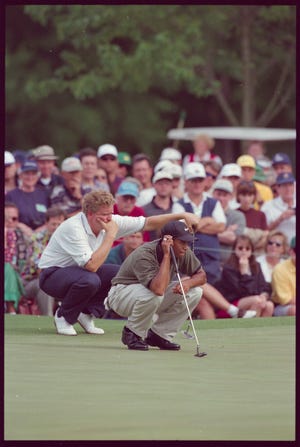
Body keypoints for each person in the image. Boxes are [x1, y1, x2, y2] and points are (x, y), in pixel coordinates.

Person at [38, 190, 200, 336]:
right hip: (51, 276)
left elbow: (148, 223)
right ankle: (63, 316)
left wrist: (181, 215)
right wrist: (110, 235)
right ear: (89, 213)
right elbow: (92, 266)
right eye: (103, 215)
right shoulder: (73, 228)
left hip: (78, 273)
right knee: (90, 280)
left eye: (110, 213)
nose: (108, 219)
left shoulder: (111, 221)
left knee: (118, 273)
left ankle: (85, 313)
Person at [104, 220, 206, 350]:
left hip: (147, 296)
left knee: (195, 292)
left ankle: (159, 335)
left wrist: (188, 283)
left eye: (187, 242)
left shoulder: (183, 251)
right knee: (155, 293)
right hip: (120, 296)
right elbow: (158, 289)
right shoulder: (145, 254)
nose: (186, 246)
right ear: (168, 240)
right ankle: (132, 333)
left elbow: (202, 276)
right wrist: (167, 255)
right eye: (182, 242)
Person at [173, 162, 226, 285]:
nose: (197, 184)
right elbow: (182, 230)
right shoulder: (179, 204)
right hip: (187, 261)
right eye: (193, 180)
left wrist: (194, 226)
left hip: (211, 261)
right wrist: (207, 220)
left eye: (200, 180)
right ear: (186, 182)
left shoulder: (213, 202)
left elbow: (221, 227)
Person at [214, 235, 274, 317]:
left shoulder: (256, 266)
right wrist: (244, 273)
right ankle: (249, 329)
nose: (244, 251)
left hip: (254, 299)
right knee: (257, 301)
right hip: (231, 304)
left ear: (251, 250)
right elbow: (243, 292)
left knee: (269, 305)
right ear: (234, 250)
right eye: (240, 248)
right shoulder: (228, 268)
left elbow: (264, 286)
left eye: (247, 248)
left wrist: (264, 295)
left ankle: (262, 329)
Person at [21, 207, 66, 316]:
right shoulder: (37, 239)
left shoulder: (68, 240)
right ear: (46, 223)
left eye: (60, 224)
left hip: (59, 279)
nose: (57, 228)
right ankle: (48, 318)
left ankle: (72, 320)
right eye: (53, 224)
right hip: (30, 281)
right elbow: (40, 270)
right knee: (44, 284)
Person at [5, 160, 50, 234]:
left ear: (38, 176)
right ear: (20, 175)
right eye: (27, 174)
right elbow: (8, 218)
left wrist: (42, 228)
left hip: (42, 233)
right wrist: (20, 226)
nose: (30, 177)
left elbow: (50, 216)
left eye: (33, 174)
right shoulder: (11, 195)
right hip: (20, 233)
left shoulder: (44, 194)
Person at [211, 179, 246, 263]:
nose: (221, 198)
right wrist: (224, 233)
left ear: (230, 197)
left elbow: (233, 238)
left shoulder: (238, 216)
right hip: (207, 260)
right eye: (218, 194)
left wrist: (207, 234)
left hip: (228, 263)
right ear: (213, 194)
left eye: (225, 195)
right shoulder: (205, 213)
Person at [4, 202, 29, 314]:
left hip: (21, 276)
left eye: (13, 218)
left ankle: (10, 307)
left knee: (9, 268)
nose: (9, 221)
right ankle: (11, 308)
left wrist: (22, 227)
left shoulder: (23, 236)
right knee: (8, 267)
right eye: (5, 218)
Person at [260, 172, 296, 244]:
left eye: (290, 185)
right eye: (284, 186)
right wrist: (280, 219)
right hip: (277, 248)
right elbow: (262, 232)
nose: (288, 189)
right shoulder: (268, 206)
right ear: (278, 188)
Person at [142, 170, 177, 241]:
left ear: (171, 186)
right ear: (154, 185)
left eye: (167, 183)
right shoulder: (144, 210)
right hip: (151, 249)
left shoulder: (178, 207)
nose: (163, 186)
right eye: (160, 183)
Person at [113, 180, 149, 246]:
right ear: (117, 198)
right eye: (125, 198)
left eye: (132, 198)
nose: (129, 202)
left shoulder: (139, 212)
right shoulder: (110, 211)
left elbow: (145, 239)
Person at [236, 180, 268, 253]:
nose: (246, 199)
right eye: (243, 195)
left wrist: (251, 248)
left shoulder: (261, 215)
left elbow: (265, 237)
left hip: (256, 253)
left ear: (254, 197)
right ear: (238, 196)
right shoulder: (234, 213)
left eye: (250, 195)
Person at [271, 236, 296, 317]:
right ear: (292, 252)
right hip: (282, 306)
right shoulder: (280, 269)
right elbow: (285, 300)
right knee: (294, 310)